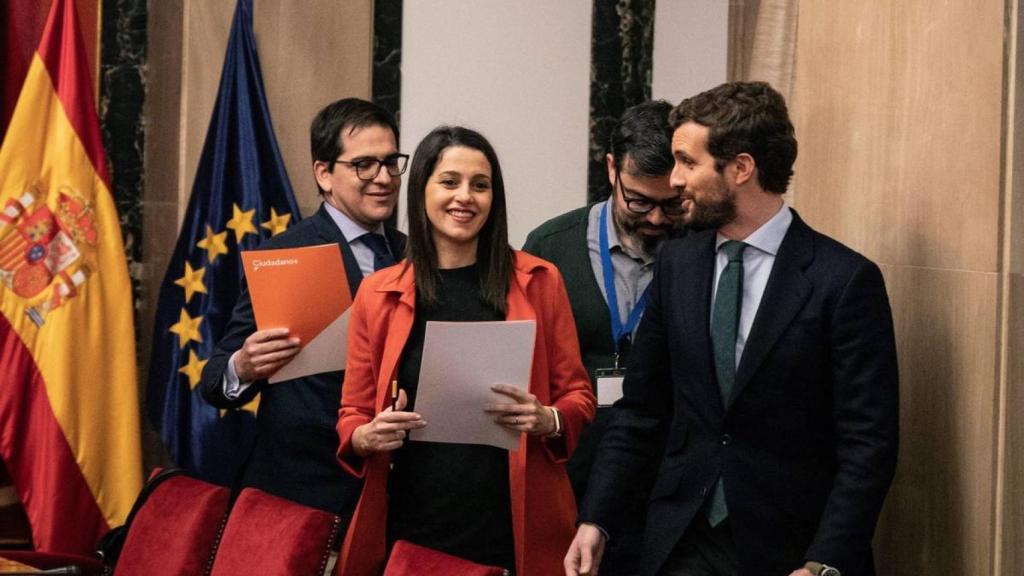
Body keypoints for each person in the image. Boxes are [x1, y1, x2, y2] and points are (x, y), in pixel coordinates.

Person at [565, 81, 899, 576]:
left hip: (790, 548)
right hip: (681, 540)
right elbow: (642, 411)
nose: (674, 179)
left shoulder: (844, 281)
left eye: (688, 162)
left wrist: (825, 562)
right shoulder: (679, 262)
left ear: (741, 168)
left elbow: (869, 442)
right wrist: (597, 520)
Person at [335, 126, 596, 576]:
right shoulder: (378, 293)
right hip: (414, 518)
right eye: (450, 182)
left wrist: (546, 418)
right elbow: (352, 414)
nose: (466, 197)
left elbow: (578, 394)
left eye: (480, 185)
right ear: (421, 190)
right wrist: (367, 435)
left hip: (513, 518)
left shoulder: (539, 280)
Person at [200, 98, 407, 523]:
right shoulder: (285, 255)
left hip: (398, 495)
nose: (383, 178)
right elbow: (215, 382)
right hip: (305, 493)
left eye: (391, 162)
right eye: (364, 165)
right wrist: (245, 365)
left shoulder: (415, 255)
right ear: (324, 174)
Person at [523, 100, 683, 575]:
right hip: (571, 477)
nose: (655, 218)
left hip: (665, 483)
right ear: (611, 168)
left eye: (669, 204)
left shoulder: (701, 251)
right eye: (638, 201)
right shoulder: (550, 248)